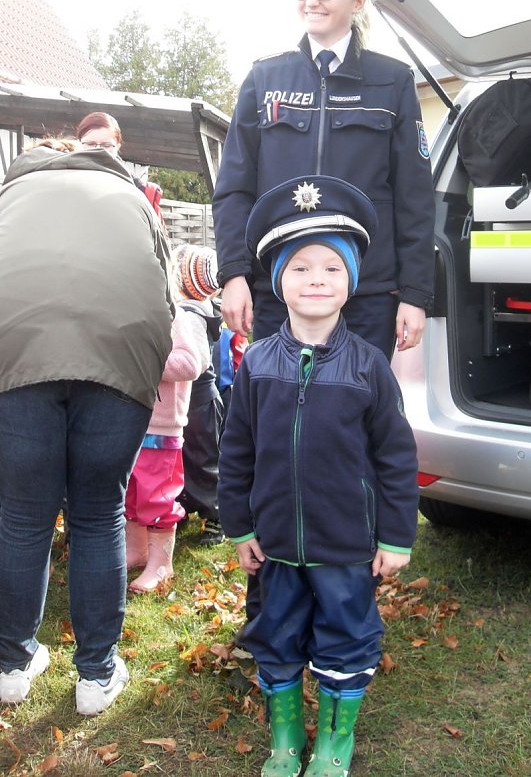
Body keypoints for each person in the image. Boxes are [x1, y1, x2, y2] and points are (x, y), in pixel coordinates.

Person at [217, 175, 419, 776]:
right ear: (279, 280)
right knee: (274, 636)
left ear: (350, 283)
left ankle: (334, 740)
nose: (316, 280)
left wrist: (395, 536)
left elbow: (395, 457)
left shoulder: (369, 368)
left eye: (332, 268)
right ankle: (284, 737)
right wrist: (239, 525)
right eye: (300, 268)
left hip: (346, 547)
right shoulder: (257, 363)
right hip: (275, 544)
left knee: (345, 639)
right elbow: (237, 451)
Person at [0, 140, 174, 715]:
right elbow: (165, 293)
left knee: (23, 516)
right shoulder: (133, 197)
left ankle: (11, 665)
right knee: (98, 514)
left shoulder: (10, 191)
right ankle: (97, 676)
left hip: (16, 353)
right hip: (120, 354)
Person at [212, 0, 435, 360]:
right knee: (277, 415)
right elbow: (233, 188)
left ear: (358, 0)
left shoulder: (392, 81)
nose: (311, 0)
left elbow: (414, 197)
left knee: (356, 418)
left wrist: (415, 294)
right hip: (279, 288)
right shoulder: (264, 78)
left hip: (366, 294)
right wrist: (234, 275)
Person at [126, 258, 209, 592]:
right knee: (132, 490)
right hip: (132, 420)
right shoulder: (128, 313)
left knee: (156, 494)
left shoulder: (174, 316)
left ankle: (162, 563)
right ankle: (137, 549)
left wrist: (145, 361)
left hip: (161, 426)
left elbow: (192, 363)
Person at [173, 244, 227, 546]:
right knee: (182, 456)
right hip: (193, 399)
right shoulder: (203, 309)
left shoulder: (192, 315)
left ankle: (215, 516)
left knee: (204, 459)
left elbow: (198, 363)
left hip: (199, 399)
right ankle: (181, 508)